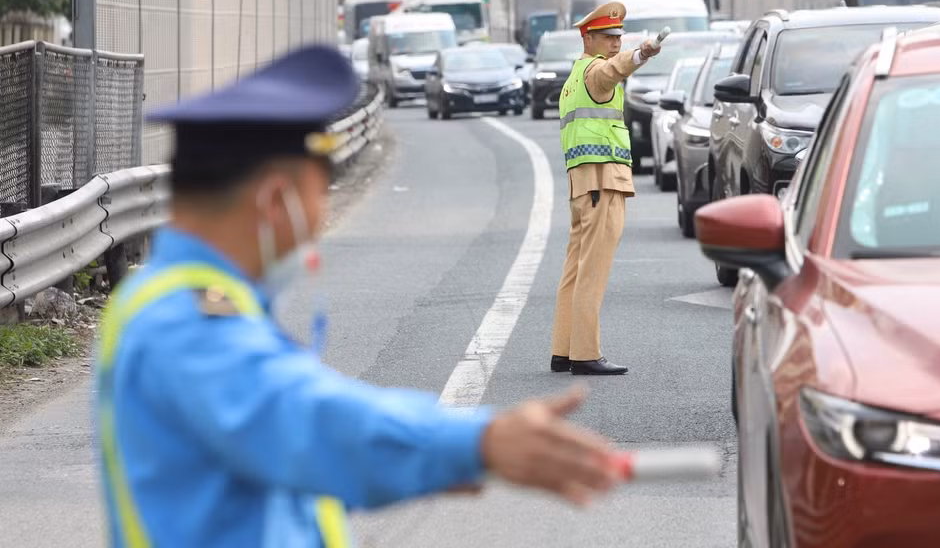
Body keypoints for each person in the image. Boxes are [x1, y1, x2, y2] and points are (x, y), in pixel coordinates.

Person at [95, 45, 620, 547]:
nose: (319, 218)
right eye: (318, 193)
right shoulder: (183, 321)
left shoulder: (189, 303)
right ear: (276, 200)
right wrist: (476, 443)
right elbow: (309, 422)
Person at [551, 2, 661, 376]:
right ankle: (585, 353)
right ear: (588, 38)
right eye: (607, 37)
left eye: (619, 37)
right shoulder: (596, 71)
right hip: (602, 180)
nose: (615, 43)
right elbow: (613, 70)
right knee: (593, 269)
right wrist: (641, 54)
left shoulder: (573, 78)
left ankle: (564, 349)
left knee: (575, 269)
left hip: (583, 184)